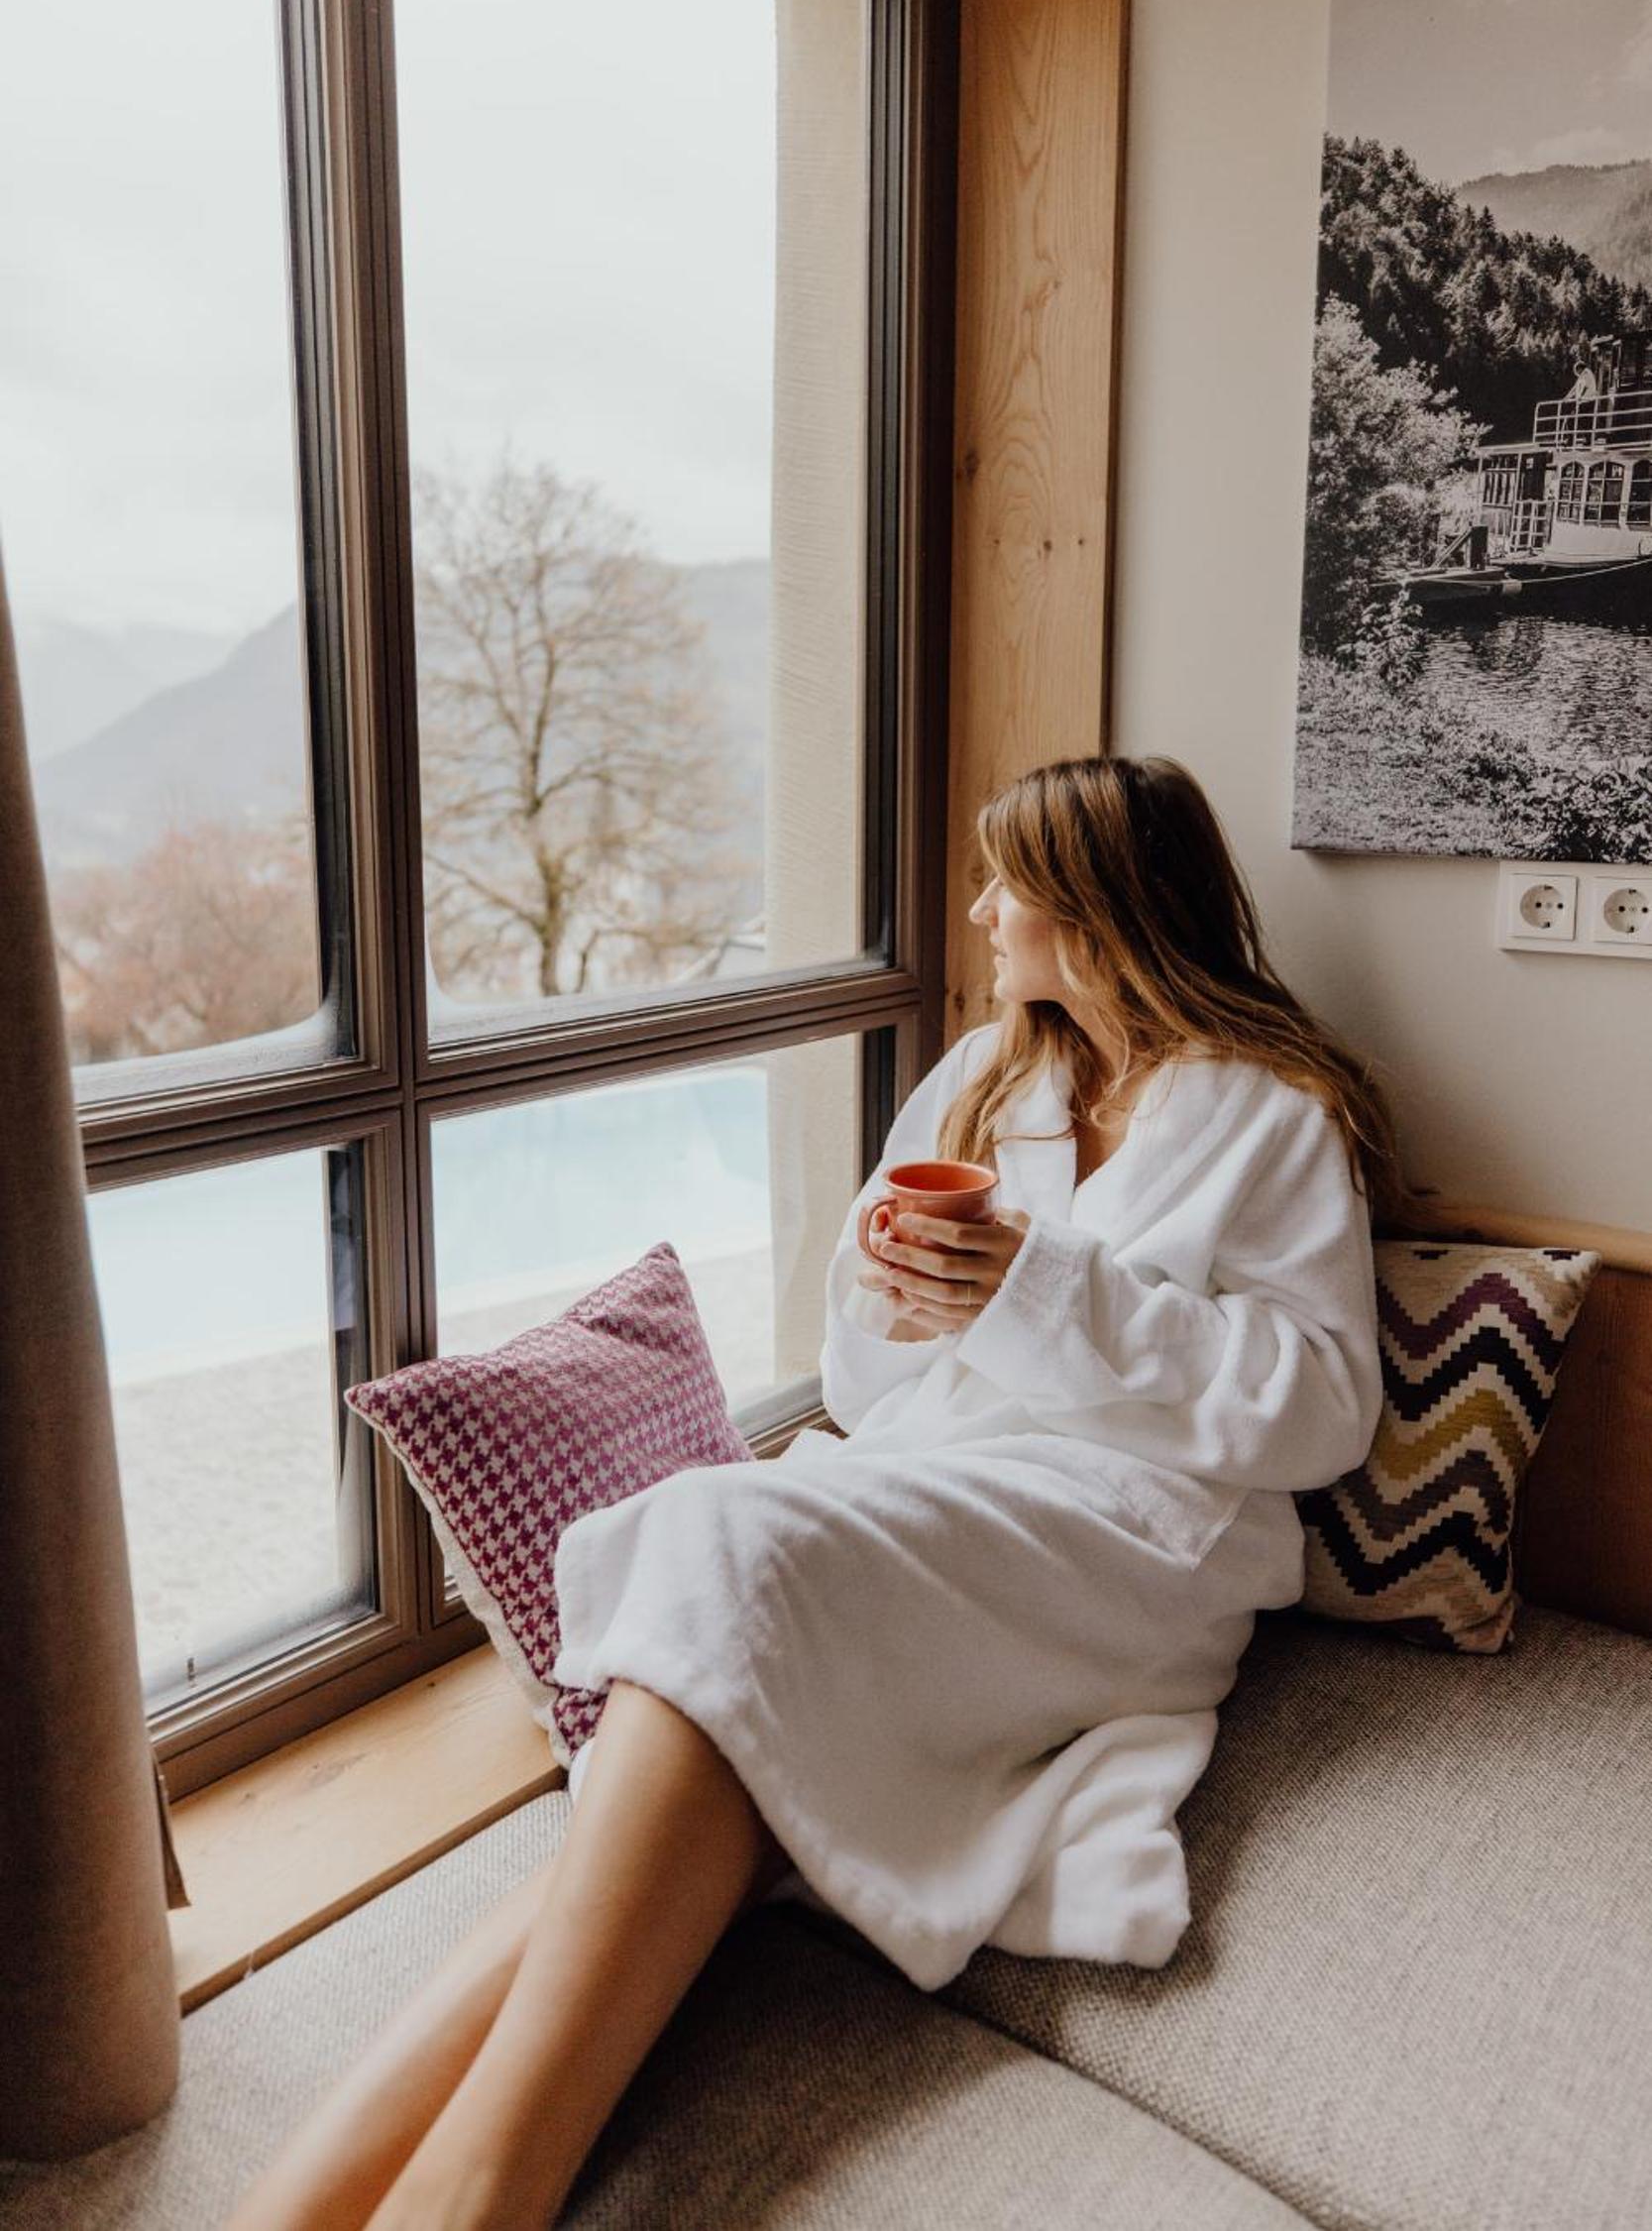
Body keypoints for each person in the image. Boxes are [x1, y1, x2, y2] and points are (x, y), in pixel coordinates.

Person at [227, 753, 1412, 2231]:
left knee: (726, 1539)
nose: (979, 912)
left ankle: (472, 2194)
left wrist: (1046, 1291)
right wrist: (910, 1299)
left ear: (1095, 908)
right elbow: (865, 1377)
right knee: (721, 1665)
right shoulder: (986, 1081)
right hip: (936, 1487)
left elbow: (1323, 1406)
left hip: (1130, 1539)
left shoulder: (1275, 1115)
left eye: (1006, 885)